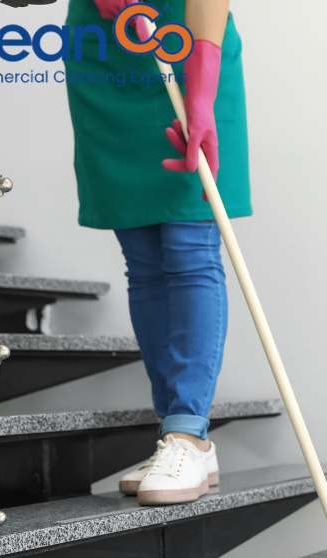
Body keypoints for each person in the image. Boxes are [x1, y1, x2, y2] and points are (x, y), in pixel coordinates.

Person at [64, 0, 251, 505]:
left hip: (189, 41)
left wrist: (202, 92)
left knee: (190, 247)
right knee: (143, 261)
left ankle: (188, 430)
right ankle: (179, 435)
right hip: (106, 56)